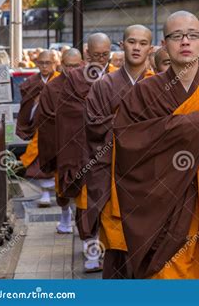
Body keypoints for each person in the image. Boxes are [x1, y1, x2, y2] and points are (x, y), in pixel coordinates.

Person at [113, 11, 199, 279]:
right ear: (164, 45)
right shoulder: (144, 93)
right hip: (165, 212)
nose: (185, 42)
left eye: (192, 36)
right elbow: (129, 144)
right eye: (176, 36)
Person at [85, 25, 154, 279]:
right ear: (122, 45)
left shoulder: (159, 83)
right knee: (117, 250)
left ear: (151, 47)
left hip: (150, 178)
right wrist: (130, 127)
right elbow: (92, 125)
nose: (136, 47)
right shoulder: (103, 86)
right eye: (131, 42)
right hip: (113, 173)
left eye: (143, 43)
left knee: (150, 248)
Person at [56, 33, 116, 273]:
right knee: (87, 205)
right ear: (87, 54)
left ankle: (110, 252)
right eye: (96, 55)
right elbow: (67, 114)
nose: (101, 60)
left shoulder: (117, 77)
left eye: (105, 55)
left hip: (111, 152)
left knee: (111, 205)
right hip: (83, 151)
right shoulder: (74, 79)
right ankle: (92, 254)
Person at [35, 48, 84, 232]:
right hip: (62, 145)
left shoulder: (91, 84)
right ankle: (65, 216)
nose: (71, 70)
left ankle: (85, 228)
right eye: (68, 66)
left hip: (84, 146)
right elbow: (47, 120)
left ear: (82, 65)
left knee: (85, 188)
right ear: (62, 65)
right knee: (62, 185)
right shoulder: (52, 88)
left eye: (76, 66)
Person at [16, 50, 59, 207]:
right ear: (37, 64)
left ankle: (59, 192)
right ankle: (45, 193)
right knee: (40, 162)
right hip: (40, 129)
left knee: (60, 161)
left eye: (48, 63)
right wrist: (35, 102)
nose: (44, 66)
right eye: (41, 63)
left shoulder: (60, 80)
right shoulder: (32, 81)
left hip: (58, 130)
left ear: (54, 64)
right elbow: (26, 103)